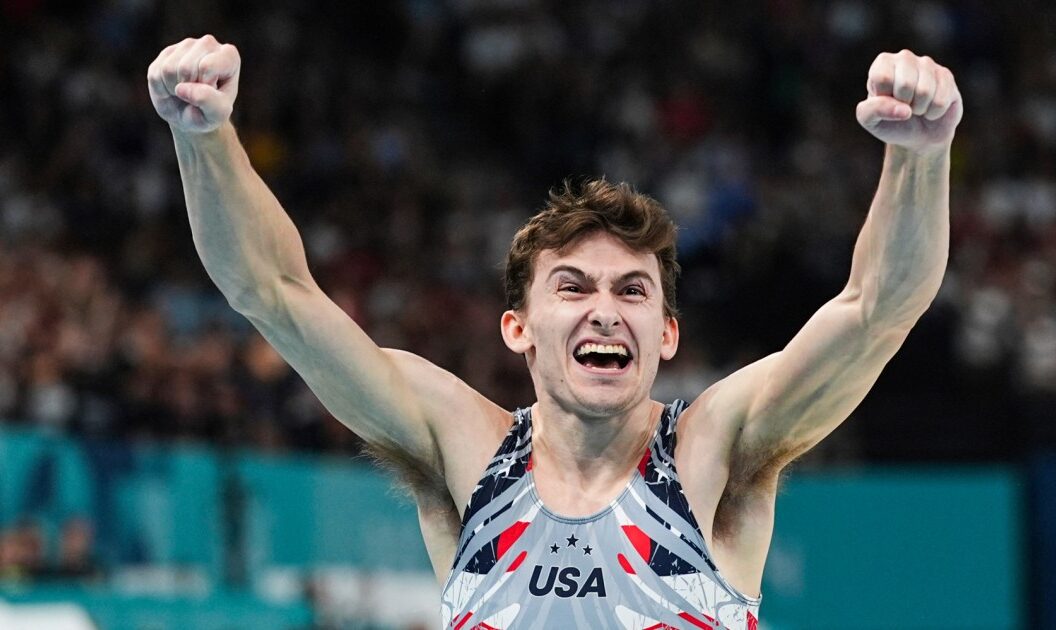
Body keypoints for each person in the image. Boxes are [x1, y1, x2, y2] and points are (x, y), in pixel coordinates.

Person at [147, 35, 961, 629]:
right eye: (572, 286)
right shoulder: (462, 450)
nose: (605, 308)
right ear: (518, 328)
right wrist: (204, 139)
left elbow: (875, 311)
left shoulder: (713, 450)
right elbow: (274, 291)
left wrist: (921, 157)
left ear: (667, 334)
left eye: (633, 290)